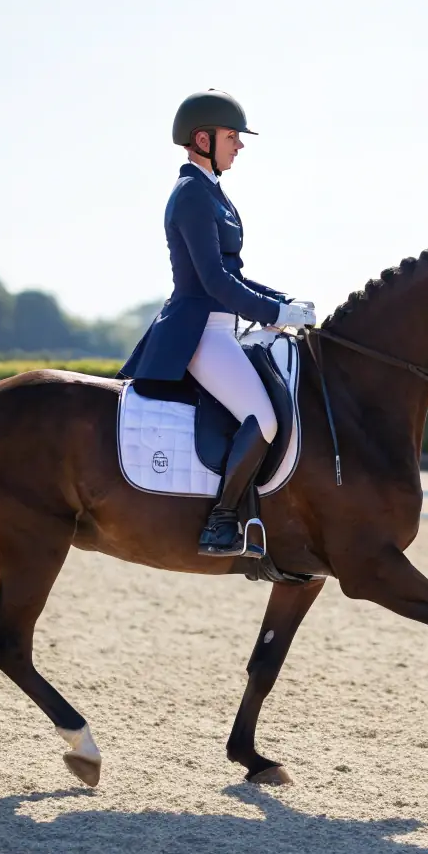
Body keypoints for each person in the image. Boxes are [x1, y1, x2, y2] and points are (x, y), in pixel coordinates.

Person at [119, 89, 316, 557]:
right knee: (263, 419)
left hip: (223, 328)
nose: (239, 146)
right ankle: (221, 522)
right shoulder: (191, 194)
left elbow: (236, 274)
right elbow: (213, 280)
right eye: (232, 136)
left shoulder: (213, 192)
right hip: (200, 333)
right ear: (201, 138)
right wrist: (274, 314)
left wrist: (283, 300)